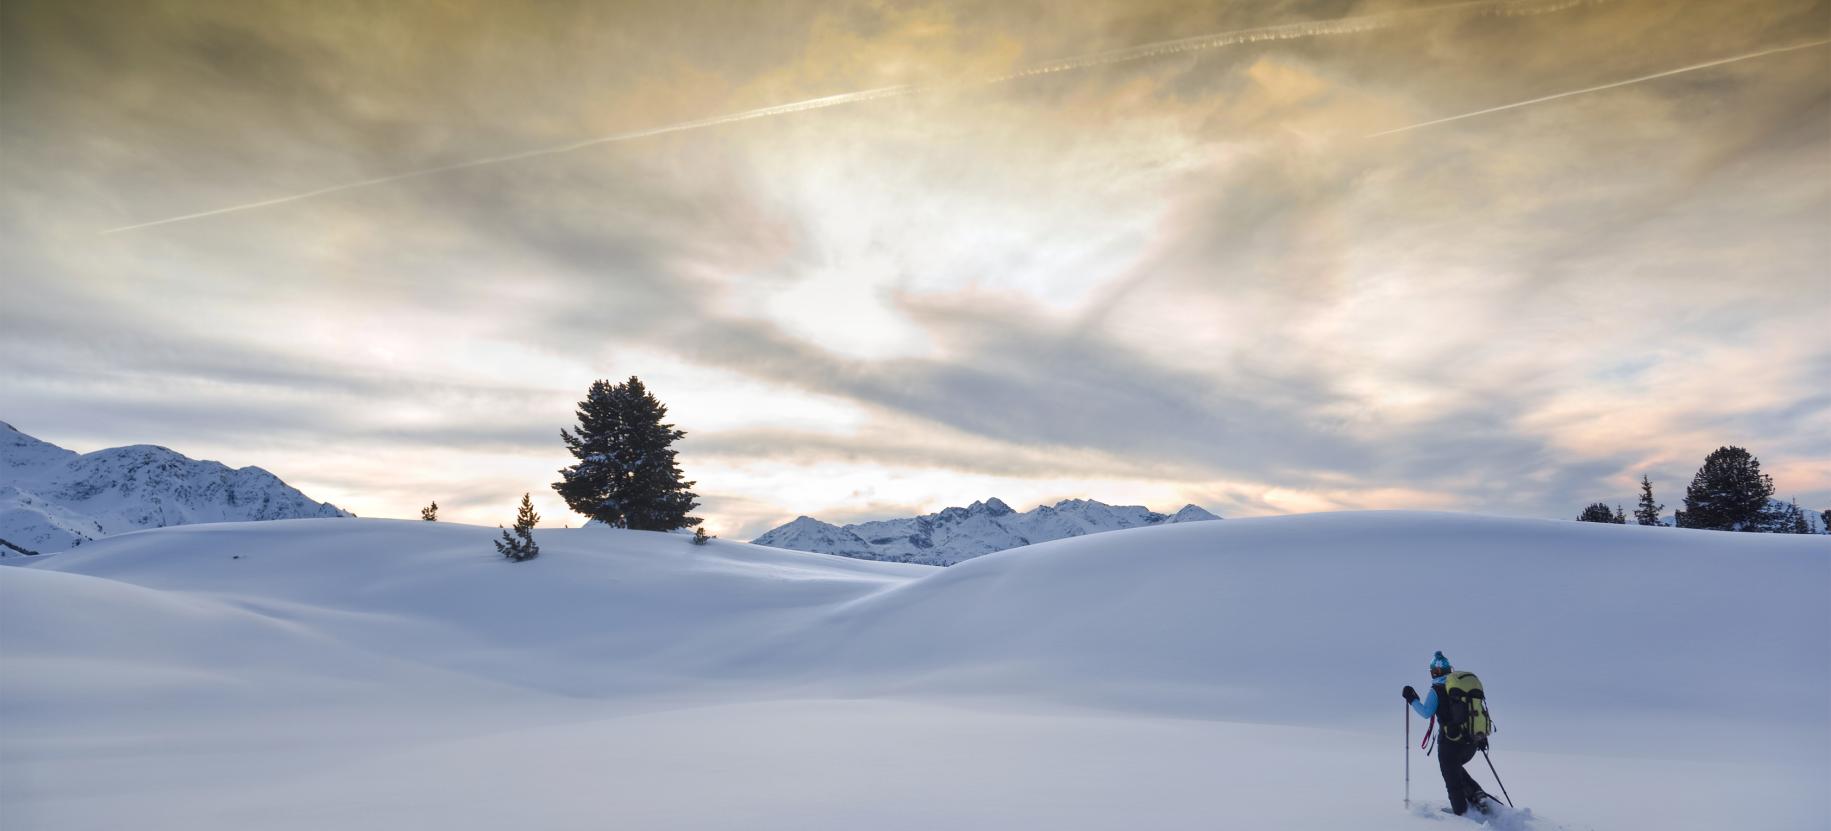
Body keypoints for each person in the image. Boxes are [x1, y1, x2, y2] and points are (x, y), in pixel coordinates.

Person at [1403, 651, 1495, 816]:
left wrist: (1412, 699)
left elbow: (1426, 713)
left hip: (1451, 743)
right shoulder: (1460, 686)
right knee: (1455, 768)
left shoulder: (1436, 689)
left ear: (1434, 672)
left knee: (1452, 779)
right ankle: (1477, 794)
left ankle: (1461, 813)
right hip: (1472, 742)